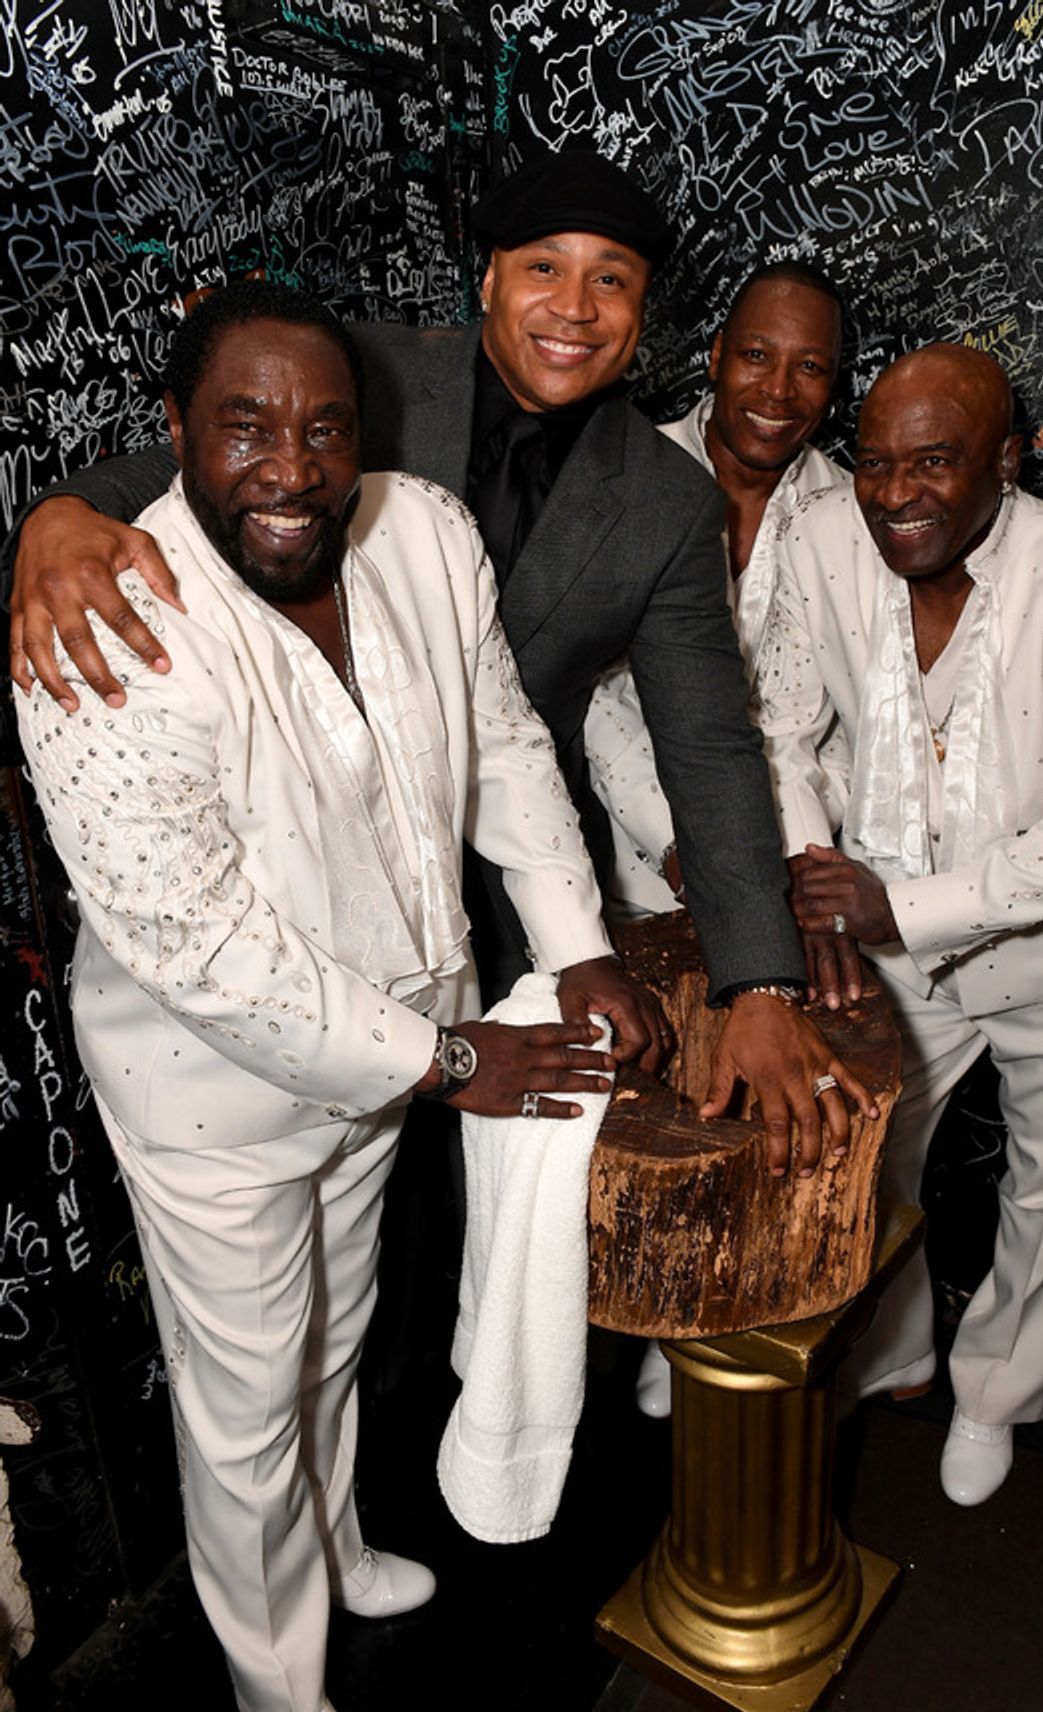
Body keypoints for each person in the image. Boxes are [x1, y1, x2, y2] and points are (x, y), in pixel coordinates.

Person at [13, 280, 667, 1712]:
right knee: (245, 1400)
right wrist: (449, 1062)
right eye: (244, 426)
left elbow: (498, 741)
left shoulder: (422, 535)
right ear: (174, 429)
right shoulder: (107, 630)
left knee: (338, 1331)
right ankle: (276, 1679)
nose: (292, 466)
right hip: (213, 1098)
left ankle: (336, 1545)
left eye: (323, 426)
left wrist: (583, 939)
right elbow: (204, 952)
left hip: (400, 1040)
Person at [7, 151, 878, 1181]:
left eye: (612, 280)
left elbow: (710, 743)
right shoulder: (360, 377)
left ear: (645, 316)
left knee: (472, 1202)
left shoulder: (668, 500)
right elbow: (195, 457)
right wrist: (55, 518)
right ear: (490, 280)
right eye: (545, 268)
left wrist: (758, 985)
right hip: (303, 888)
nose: (576, 306)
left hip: (515, 889)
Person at [778, 343, 1043, 1503]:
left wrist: (896, 904)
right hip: (883, 941)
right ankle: (894, 1356)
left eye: (935, 462)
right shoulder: (818, 546)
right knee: (871, 1156)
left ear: (1006, 460)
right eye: (876, 463)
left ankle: (995, 1393)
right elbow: (782, 729)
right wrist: (819, 872)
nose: (896, 493)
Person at [580, 260, 858, 1415]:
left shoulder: (843, 508)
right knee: (667, 1098)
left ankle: (727, 1317)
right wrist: (685, 852)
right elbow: (592, 697)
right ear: (713, 355)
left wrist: (774, 881)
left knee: (767, 1093)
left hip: (783, 847)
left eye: (808, 367)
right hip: (638, 849)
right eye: (757, 354)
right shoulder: (625, 473)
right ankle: (653, 1312)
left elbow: (794, 727)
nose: (777, 388)